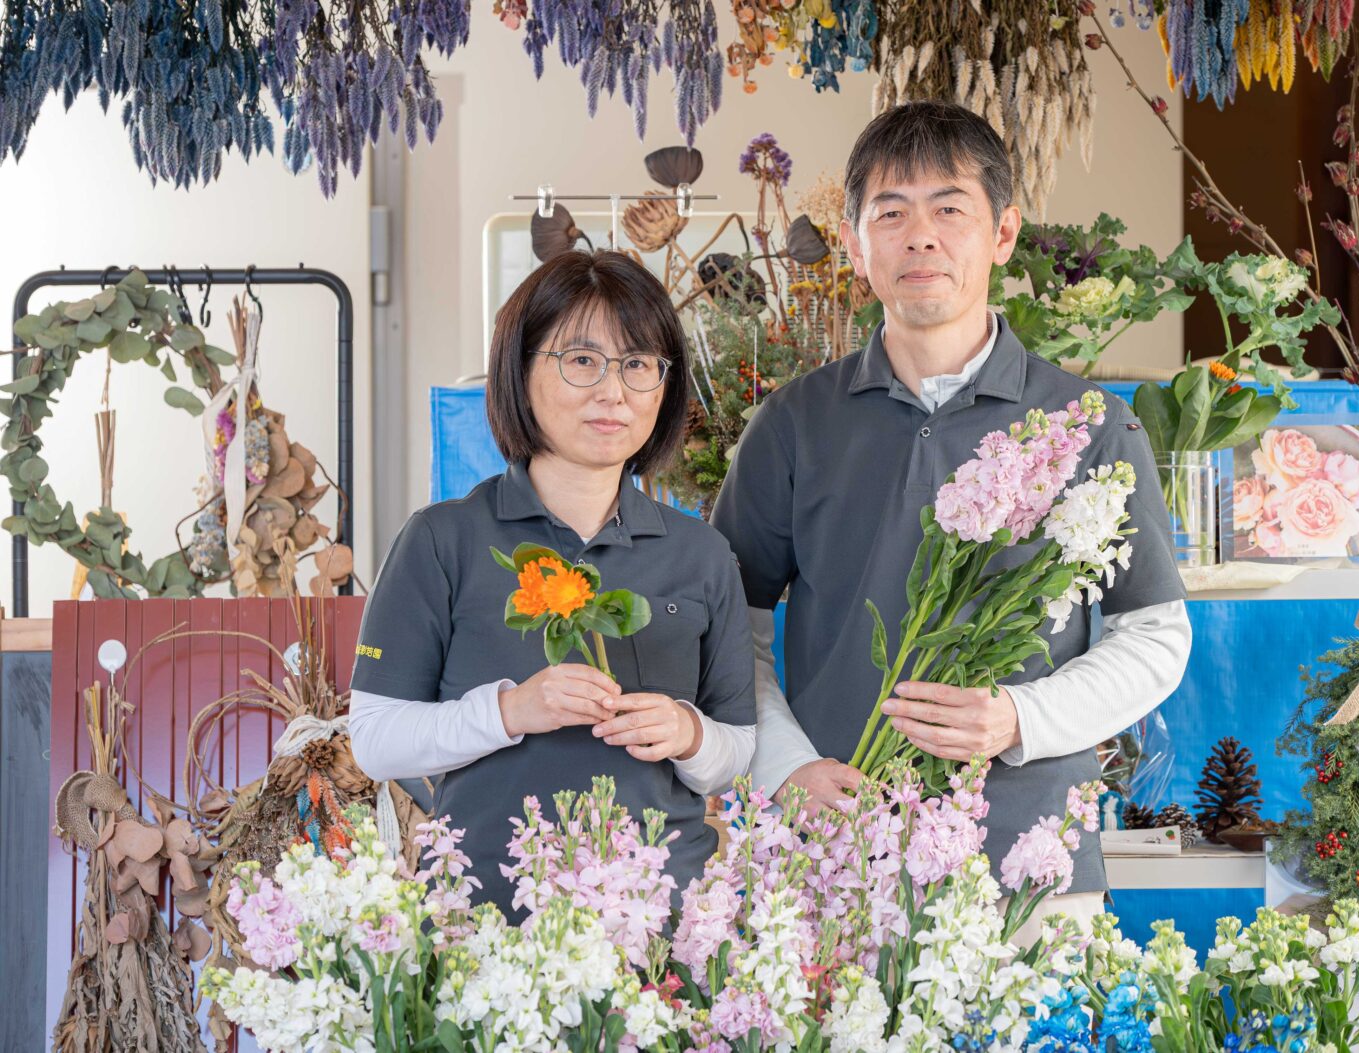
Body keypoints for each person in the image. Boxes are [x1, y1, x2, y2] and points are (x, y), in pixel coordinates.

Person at [711, 101, 1192, 926]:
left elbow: (1157, 636)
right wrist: (787, 768)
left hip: (1029, 858)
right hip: (840, 854)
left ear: (1002, 233)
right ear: (858, 243)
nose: (919, 236)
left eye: (949, 210)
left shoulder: (1086, 424)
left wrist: (1018, 717)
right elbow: (730, 630)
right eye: (890, 213)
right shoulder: (794, 423)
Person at [348, 250, 756, 914]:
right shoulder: (442, 539)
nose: (613, 391)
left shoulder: (701, 553)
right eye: (582, 360)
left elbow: (735, 753)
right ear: (520, 368)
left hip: (660, 924)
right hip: (487, 921)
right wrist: (511, 711)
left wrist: (687, 732)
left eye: (638, 364)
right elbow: (375, 738)